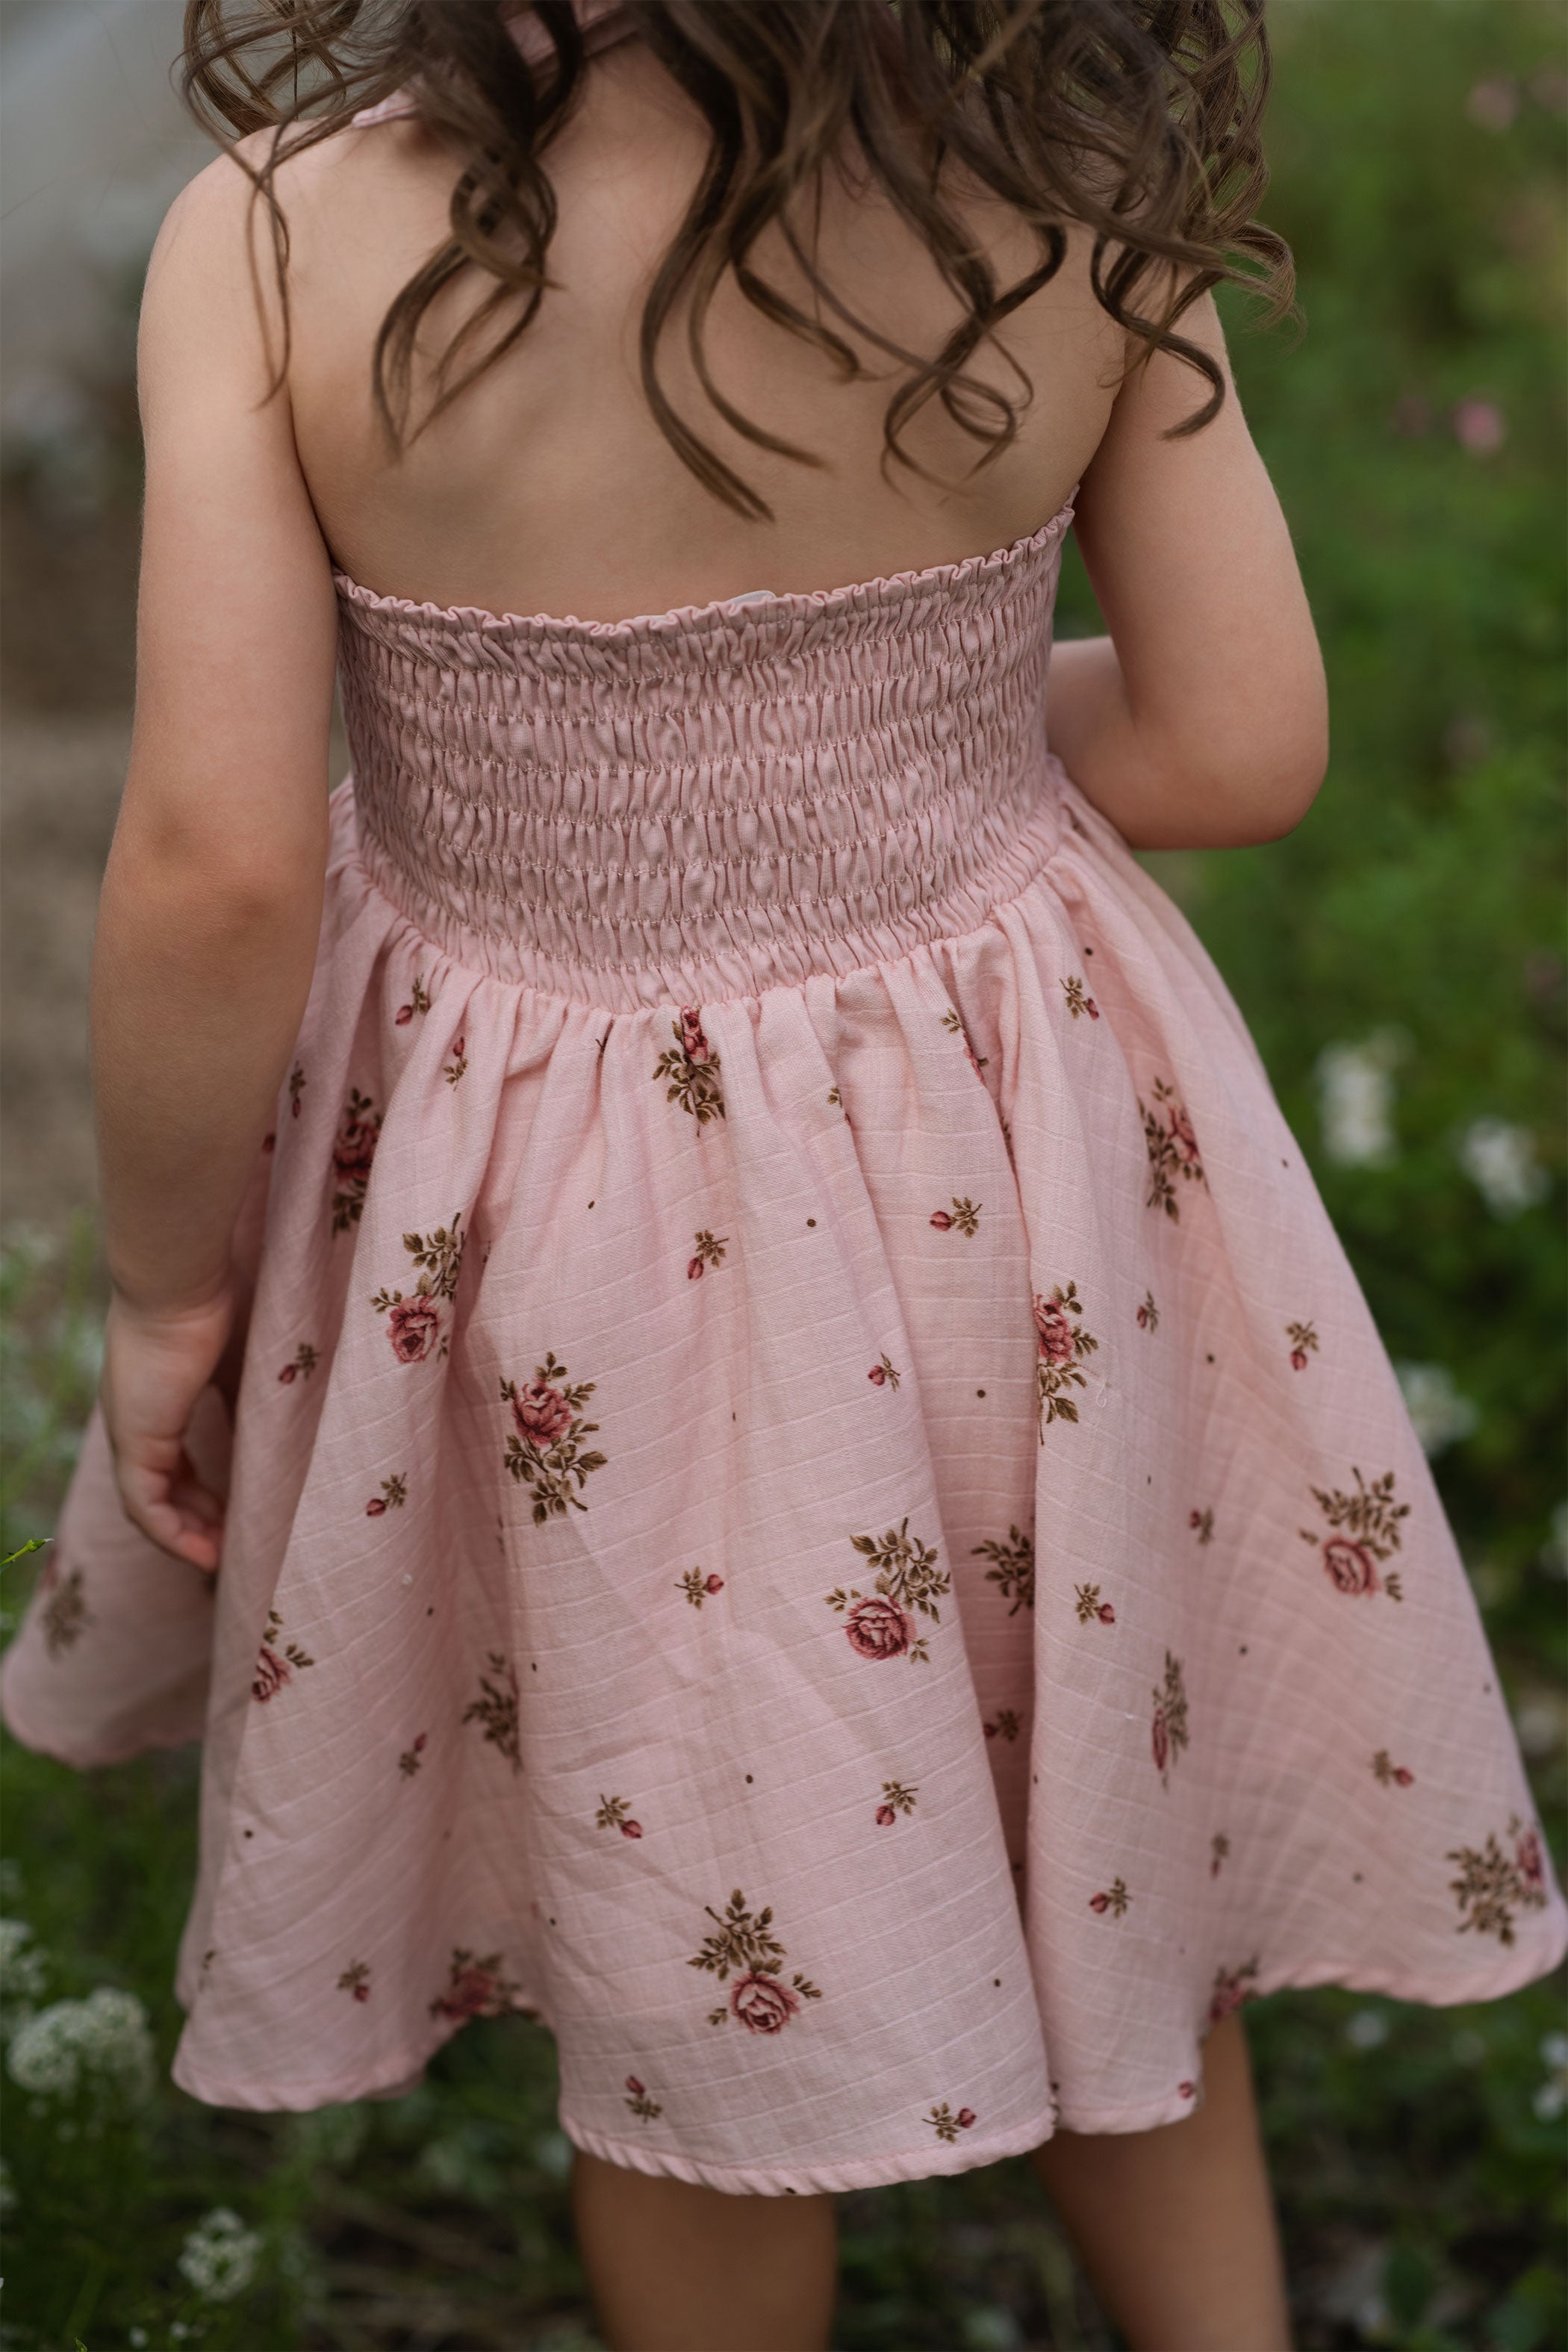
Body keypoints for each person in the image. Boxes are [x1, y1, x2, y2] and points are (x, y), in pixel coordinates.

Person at [3, 3, 1563, 2347]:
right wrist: (872, 734)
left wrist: (163, 1291)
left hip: (564, 1240)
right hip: (1015, 1164)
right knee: (1090, 1805)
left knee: (687, 1950)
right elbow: (1235, 737)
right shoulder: (1066, 177)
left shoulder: (275, 239)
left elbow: (218, 863)